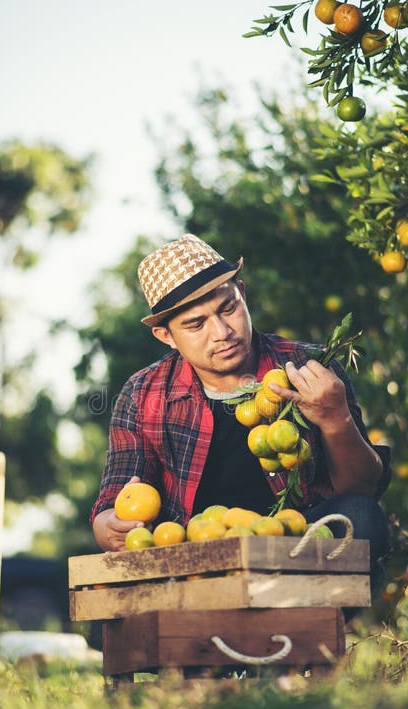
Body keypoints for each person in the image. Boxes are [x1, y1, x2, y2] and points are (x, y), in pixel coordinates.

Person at [91, 234, 391, 587]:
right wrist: (107, 525)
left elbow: (362, 489)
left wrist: (335, 418)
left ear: (243, 294)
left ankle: (300, 626)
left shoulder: (308, 370)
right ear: (166, 336)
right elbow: (115, 500)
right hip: (196, 556)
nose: (222, 332)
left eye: (228, 308)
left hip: (297, 550)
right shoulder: (143, 394)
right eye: (196, 324)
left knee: (361, 516)